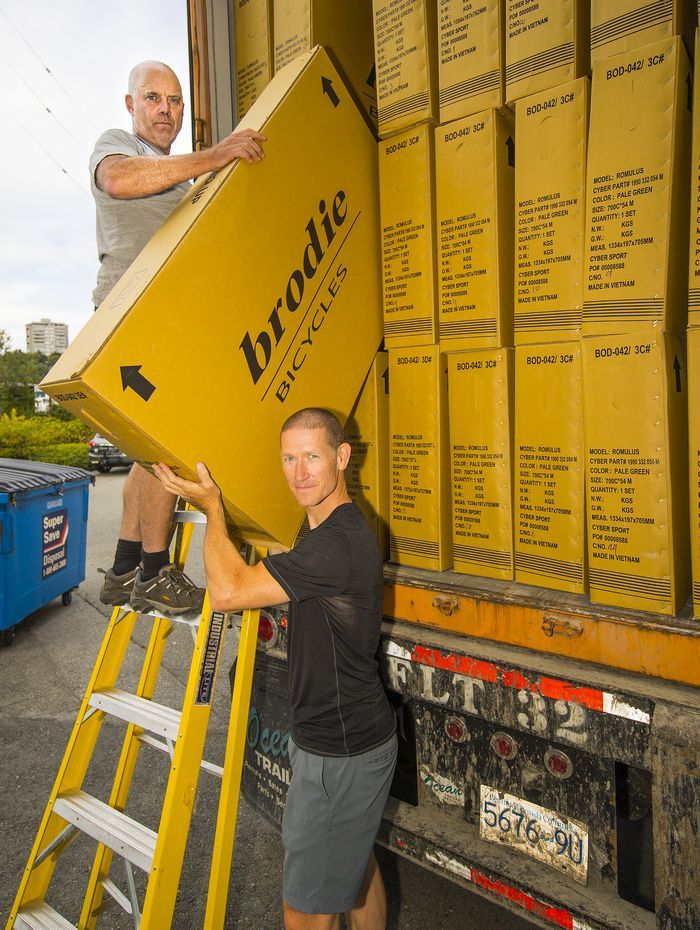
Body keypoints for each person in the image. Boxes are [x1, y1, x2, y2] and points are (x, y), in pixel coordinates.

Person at [153, 408, 398, 930]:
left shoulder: (336, 545)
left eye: (312, 456)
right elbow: (286, 560)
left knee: (306, 906)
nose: (299, 472)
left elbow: (227, 593)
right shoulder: (338, 530)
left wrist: (213, 509)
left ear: (342, 456)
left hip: (338, 751)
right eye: (289, 458)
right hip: (361, 739)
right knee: (353, 871)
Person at [93, 60, 266, 614]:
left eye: (174, 100)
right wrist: (217, 156)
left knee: (145, 453)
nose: (166, 109)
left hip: (160, 318)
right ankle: (156, 572)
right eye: (153, 98)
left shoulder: (179, 173)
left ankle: (125, 570)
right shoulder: (117, 145)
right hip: (130, 316)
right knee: (172, 441)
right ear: (130, 105)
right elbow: (119, 180)